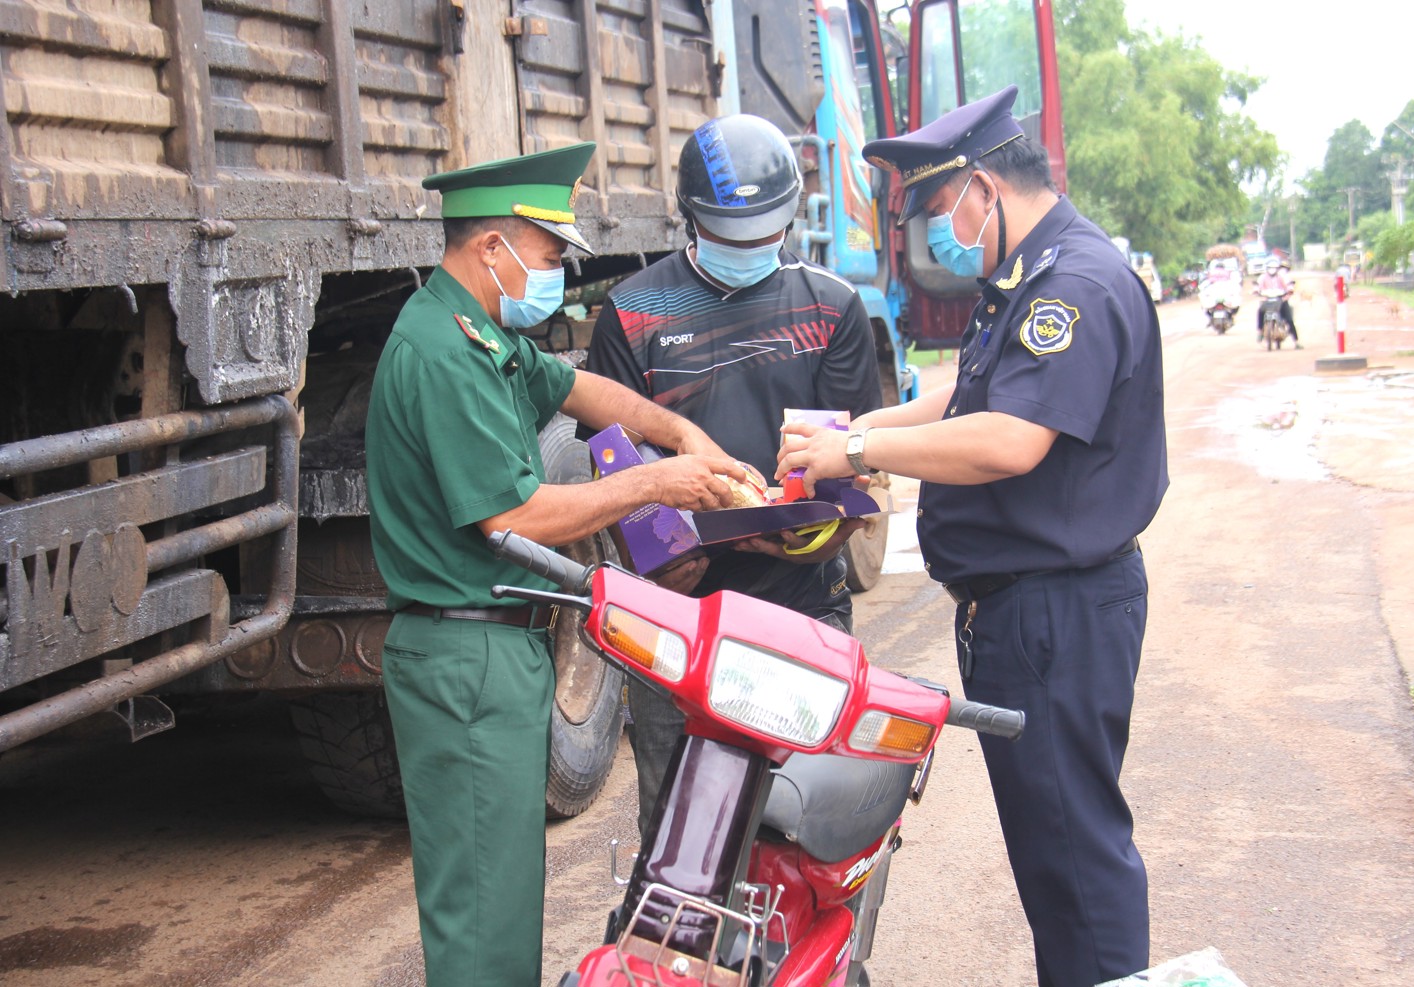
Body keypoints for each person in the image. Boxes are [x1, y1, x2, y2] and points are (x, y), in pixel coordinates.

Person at [777, 86, 1169, 987]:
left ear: (985, 190)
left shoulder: (1070, 284)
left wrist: (862, 446)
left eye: (937, 209)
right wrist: (858, 430)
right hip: (1024, 615)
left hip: (1056, 615)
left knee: (1076, 857)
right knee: (1053, 852)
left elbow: (1009, 438)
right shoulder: (1027, 274)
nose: (936, 234)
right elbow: (968, 397)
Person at [365, 142, 747, 987]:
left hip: (495, 647)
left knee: (503, 901)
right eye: (546, 255)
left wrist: (679, 433)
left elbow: (579, 390)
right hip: (463, 651)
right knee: (480, 925)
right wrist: (656, 479)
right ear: (490, 247)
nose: (556, 275)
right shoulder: (442, 353)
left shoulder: (483, 336)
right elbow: (516, 514)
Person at [584, 114, 883, 834]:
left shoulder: (832, 309)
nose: (751, 246)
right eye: (730, 231)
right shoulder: (632, 314)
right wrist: (658, 560)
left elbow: (856, 474)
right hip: (677, 626)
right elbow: (612, 462)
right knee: (684, 836)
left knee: (806, 833)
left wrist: (807, 540)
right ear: (691, 218)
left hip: (803, 610)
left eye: (764, 230)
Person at [1255, 259, 1301, 348]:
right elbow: (1257, 286)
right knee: (1260, 311)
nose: (1272, 270)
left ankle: (1296, 341)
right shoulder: (1262, 277)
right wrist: (1256, 291)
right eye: (1270, 268)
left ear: (1277, 268)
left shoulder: (1282, 276)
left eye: (1274, 268)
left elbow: (1289, 284)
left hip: (1281, 300)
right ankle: (1260, 331)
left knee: (1289, 319)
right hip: (1267, 300)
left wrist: (1290, 289)